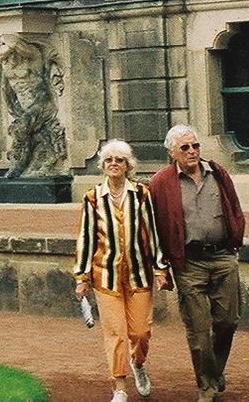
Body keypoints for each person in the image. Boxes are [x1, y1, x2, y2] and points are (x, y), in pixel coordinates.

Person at [149, 126, 246, 402]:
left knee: (228, 321)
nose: (192, 151)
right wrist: (161, 267)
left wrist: (236, 238)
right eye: (185, 148)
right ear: (172, 153)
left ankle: (213, 371)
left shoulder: (218, 173)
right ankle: (207, 387)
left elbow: (234, 207)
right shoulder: (160, 183)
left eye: (195, 146)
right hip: (188, 262)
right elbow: (154, 227)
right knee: (199, 329)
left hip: (223, 256)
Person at [75, 140, 169, 402]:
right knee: (115, 333)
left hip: (139, 274)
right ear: (103, 165)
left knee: (141, 331)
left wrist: (160, 269)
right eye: (109, 160)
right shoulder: (92, 197)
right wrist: (82, 277)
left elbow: (152, 233)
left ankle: (138, 363)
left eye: (119, 160)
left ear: (128, 165)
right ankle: (119, 387)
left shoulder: (141, 194)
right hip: (106, 276)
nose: (114, 164)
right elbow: (86, 239)